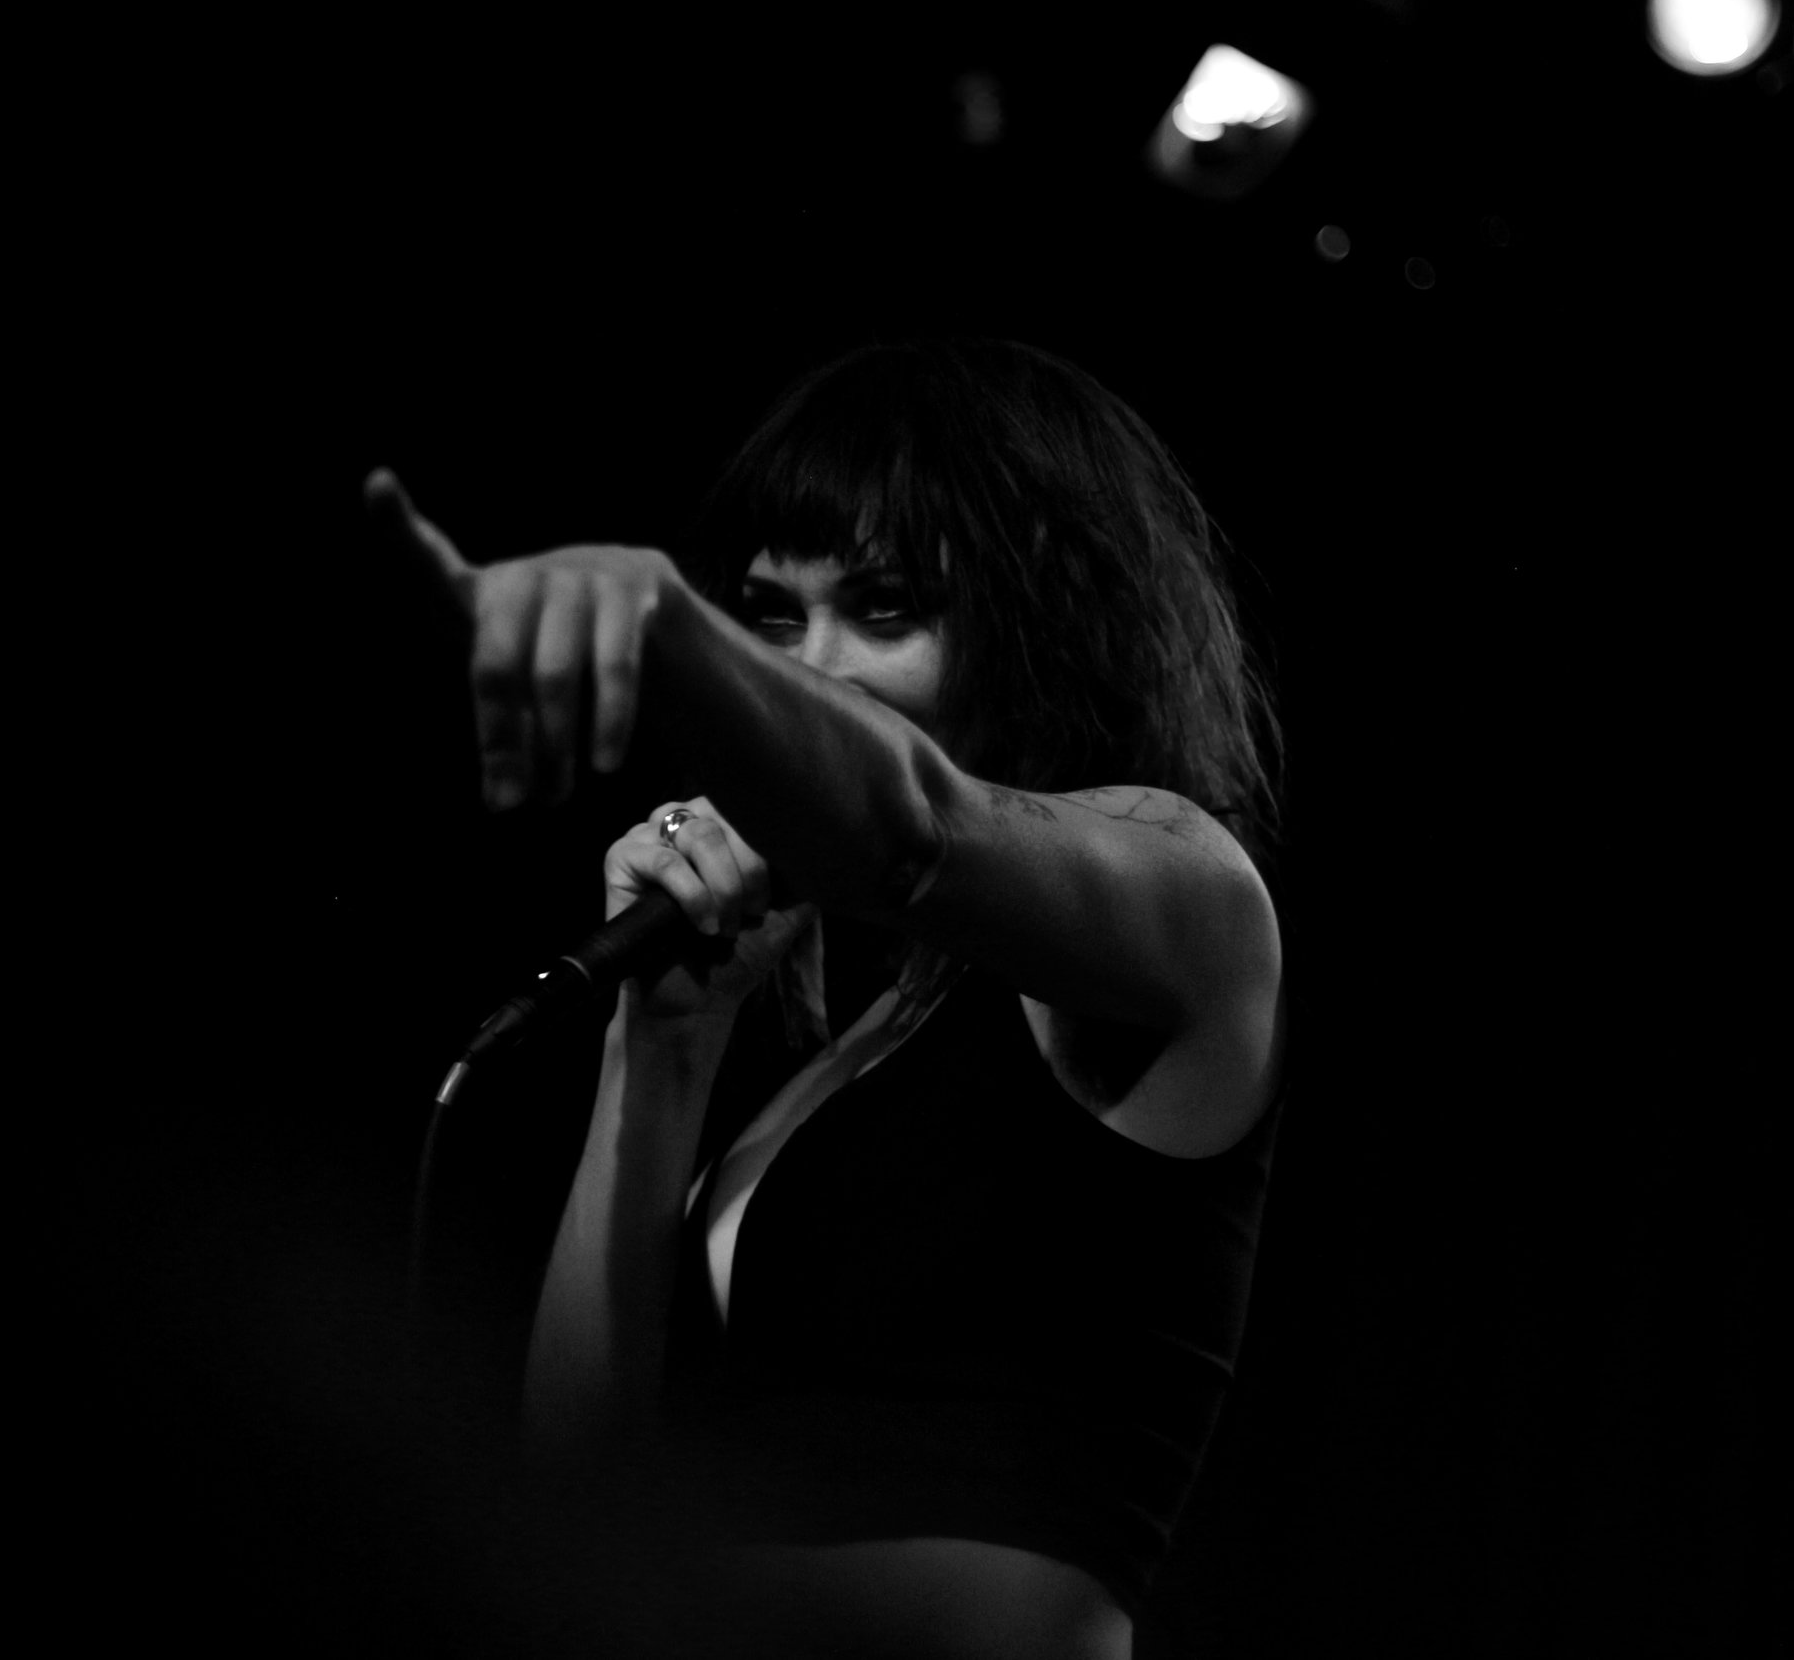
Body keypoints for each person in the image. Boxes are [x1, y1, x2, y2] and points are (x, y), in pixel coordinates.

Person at [367, 337, 1286, 1659]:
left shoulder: (1185, 883)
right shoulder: (862, 1040)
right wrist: (665, 1047)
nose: (813, 670)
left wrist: (663, 618)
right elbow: (576, 1497)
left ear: (1047, 622)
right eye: (773, 617)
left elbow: (910, 825)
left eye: (888, 609)